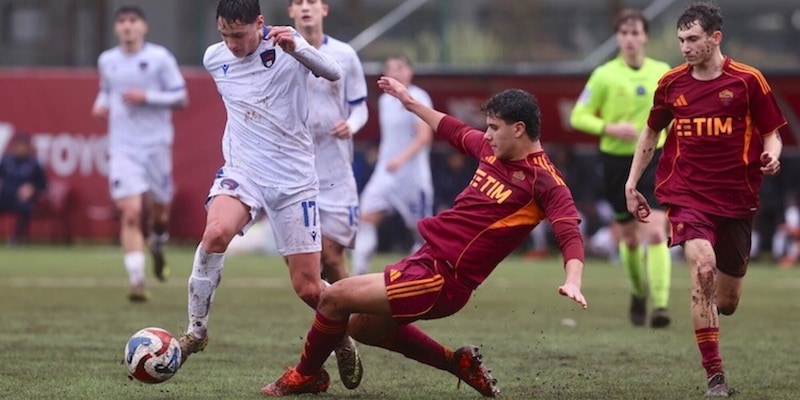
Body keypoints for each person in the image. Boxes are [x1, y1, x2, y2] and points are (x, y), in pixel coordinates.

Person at [260, 76, 587, 397]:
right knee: (362, 326)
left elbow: (569, 233)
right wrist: (409, 102)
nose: (486, 135)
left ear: (519, 129)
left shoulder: (545, 182)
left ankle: (307, 376)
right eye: (486, 127)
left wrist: (573, 280)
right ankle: (457, 363)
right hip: (426, 259)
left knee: (334, 297)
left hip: (445, 278)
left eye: (493, 127)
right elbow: (453, 129)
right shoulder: (492, 152)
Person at [176, 0, 363, 392]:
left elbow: (334, 73)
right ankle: (195, 330)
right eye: (224, 34)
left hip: (293, 181)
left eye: (239, 35)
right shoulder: (215, 58)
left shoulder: (286, 46)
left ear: (259, 24)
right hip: (243, 173)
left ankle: (341, 337)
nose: (231, 43)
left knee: (310, 288)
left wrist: (299, 48)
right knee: (214, 235)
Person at [624, 3, 786, 397]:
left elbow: (772, 132)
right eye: (680, 40)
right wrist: (632, 183)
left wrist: (773, 155)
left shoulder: (749, 81)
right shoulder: (671, 83)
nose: (685, 47)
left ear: (715, 38)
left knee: (727, 301)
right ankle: (715, 376)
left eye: (693, 39)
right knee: (703, 268)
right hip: (686, 194)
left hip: (736, 197)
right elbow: (650, 135)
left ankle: (712, 316)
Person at [570, 8, 672, 328]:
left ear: (645, 37)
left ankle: (661, 305)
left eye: (635, 32)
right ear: (617, 37)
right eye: (624, 33)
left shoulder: (663, 71)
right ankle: (638, 292)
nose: (629, 39)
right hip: (616, 163)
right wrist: (611, 128)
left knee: (656, 231)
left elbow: (678, 112)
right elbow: (578, 116)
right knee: (628, 239)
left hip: (654, 159)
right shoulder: (603, 75)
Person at [91, 5, 188, 301]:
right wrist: (101, 102)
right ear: (116, 28)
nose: (127, 26)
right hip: (123, 146)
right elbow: (106, 89)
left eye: (132, 21)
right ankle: (137, 281)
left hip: (156, 145)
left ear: (143, 27)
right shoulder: (107, 60)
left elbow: (181, 96)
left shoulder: (159, 58)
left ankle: (158, 241)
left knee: (159, 213)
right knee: (131, 212)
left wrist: (147, 97)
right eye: (122, 22)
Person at [287, 0, 368, 284]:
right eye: (298, 2)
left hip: (334, 166)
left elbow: (360, 105)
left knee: (332, 258)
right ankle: (332, 319)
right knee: (301, 264)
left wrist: (352, 124)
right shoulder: (280, 51)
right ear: (291, 12)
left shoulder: (344, 54)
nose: (305, 7)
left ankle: (345, 322)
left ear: (324, 9)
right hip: (293, 165)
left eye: (312, 2)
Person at [351, 55, 433, 275]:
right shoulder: (385, 101)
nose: (395, 72)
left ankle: (420, 276)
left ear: (410, 71)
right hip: (385, 174)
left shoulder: (419, 96)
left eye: (399, 67)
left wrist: (401, 158)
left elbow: (424, 136)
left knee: (421, 230)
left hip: (412, 176)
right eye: (390, 69)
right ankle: (358, 273)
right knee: (366, 218)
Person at [0, 133, 47, 245]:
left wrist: (32, 188)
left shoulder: (33, 163)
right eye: (19, 145)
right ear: (15, 147)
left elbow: (43, 184)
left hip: (21, 198)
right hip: (5, 195)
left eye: (24, 146)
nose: (22, 148)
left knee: (26, 208)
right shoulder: (6, 161)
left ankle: (15, 239)